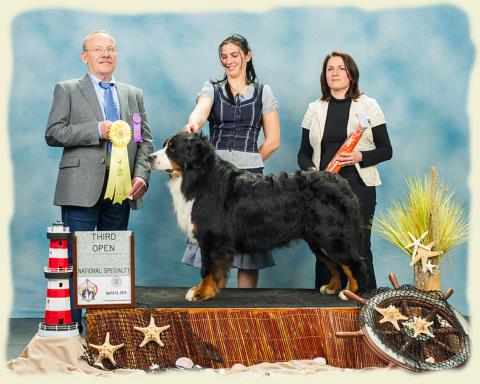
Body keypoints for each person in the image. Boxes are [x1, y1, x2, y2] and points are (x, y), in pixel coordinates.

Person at [45, 30, 154, 333]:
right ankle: (73, 330)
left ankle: (105, 331)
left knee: (111, 265)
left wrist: (141, 174)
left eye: (110, 49)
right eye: (98, 50)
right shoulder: (67, 89)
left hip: (122, 190)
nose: (105, 55)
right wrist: (97, 129)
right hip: (80, 187)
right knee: (79, 261)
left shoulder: (133, 94)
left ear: (116, 55)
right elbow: (54, 132)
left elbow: (143, 140)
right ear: (85, 57)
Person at [183, 34, 280, 288]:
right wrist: (194, 123)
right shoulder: (211, 89)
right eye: (224, 57)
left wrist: (250, 161)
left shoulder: (263, 92)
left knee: (248, 249)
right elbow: (200, 113)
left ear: (248, 55)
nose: (229, 61)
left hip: (251, 179)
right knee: (213, 243)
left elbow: (273, 141)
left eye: (234, 55)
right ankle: (217, 311)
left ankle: (244, 313)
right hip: (213, 179)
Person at [297, 51, 392, 292]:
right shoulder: (314, 109)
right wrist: (312, 173)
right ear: (324, 76)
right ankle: (324, 309)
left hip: (359, 185)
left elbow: (386, 150)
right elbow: (303, 153)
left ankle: (366, 308)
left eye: (341, 68)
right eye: (330, 69)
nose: (335, 73)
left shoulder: (369, 106)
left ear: (351, 74)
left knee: (358, 244)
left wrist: (360, 156)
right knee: (323, 246)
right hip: (322, 188)